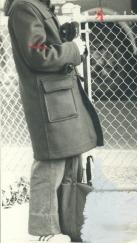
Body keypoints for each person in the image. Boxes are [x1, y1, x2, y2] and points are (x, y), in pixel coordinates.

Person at [5, 0, 103, 242]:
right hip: (49, 100)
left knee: (68, 162)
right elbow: (37, 55)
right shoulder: (25, 7)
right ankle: (44, 232)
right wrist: (72, 48)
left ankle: (67, 226)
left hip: (57, 97)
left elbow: (43, 48)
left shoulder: (34, 6)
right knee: (50, 164)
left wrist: (64, 38)